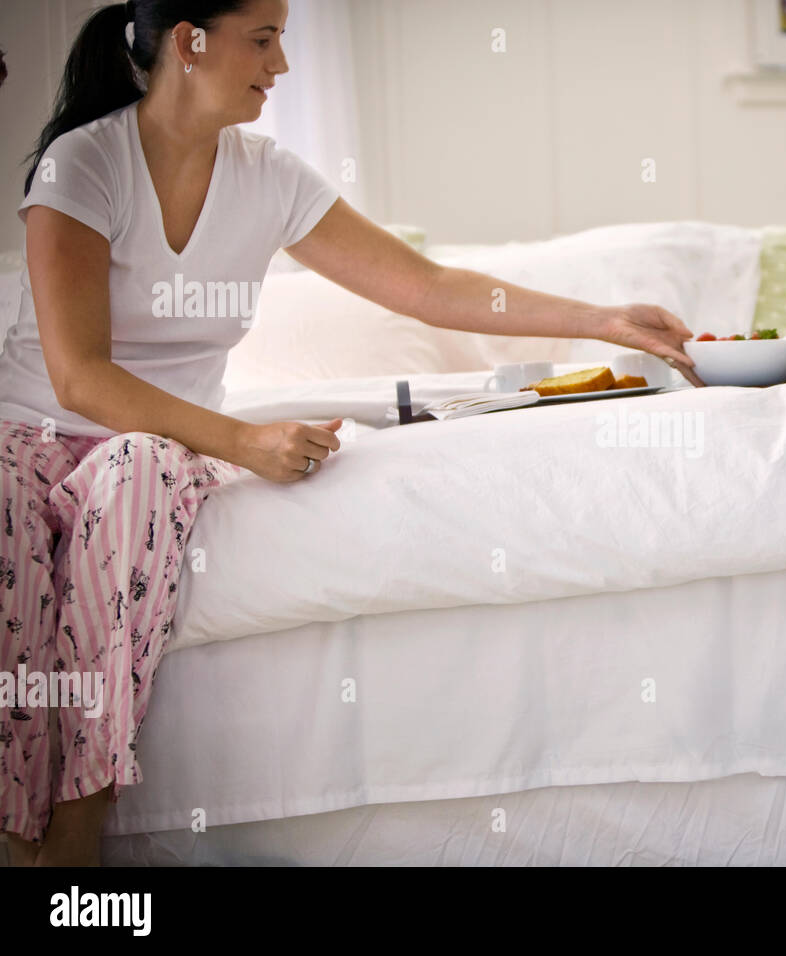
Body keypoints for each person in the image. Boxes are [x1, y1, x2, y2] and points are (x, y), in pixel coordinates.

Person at [0, 0, 700, 867]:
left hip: (144, 448)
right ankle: (13, 829)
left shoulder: (268, 177)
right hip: (29, 433)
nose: (280, 65)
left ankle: (76, 831)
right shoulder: (85, 163)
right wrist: (242, 442)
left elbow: (427, 285)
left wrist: (600, 318)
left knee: (141, 468)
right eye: (262, 39)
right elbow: (80, 378)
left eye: (283, 39)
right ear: (190, 42)